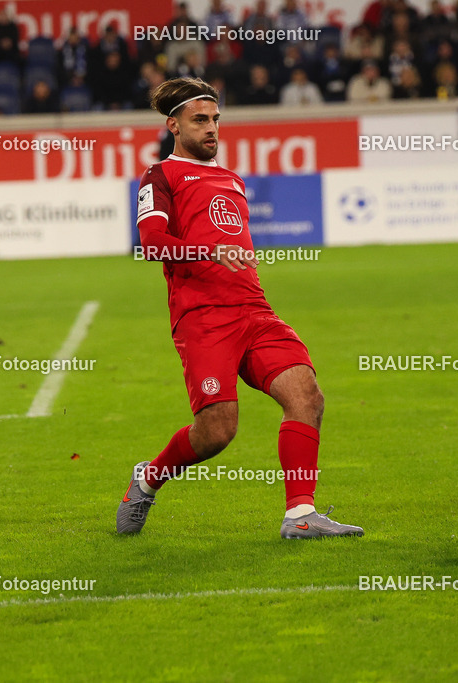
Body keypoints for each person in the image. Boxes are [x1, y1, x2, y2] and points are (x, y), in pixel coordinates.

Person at [116, 77, 362, 539]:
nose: (211, 129)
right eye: (200, 121)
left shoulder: (232, 179)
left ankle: (300, 514)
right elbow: (150, 244)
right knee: (217, 431)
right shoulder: (160, 176)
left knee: (307, 396)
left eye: (215, 120)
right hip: (203, 318)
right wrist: (207, 251)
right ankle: (148, 478)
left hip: (254, 310)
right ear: (174, 125)